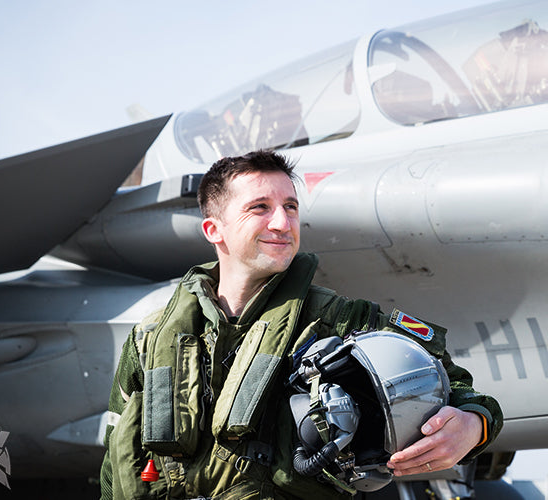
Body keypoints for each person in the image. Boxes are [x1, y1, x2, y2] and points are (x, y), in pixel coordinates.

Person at [99, 150, 502, 499]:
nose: (282, 223)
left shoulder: (345, 321)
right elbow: (114, 461)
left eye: (290, 207)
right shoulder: (151, 339)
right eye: (260, 208)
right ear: (214, 230)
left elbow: (458, 387)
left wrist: (473, 424)